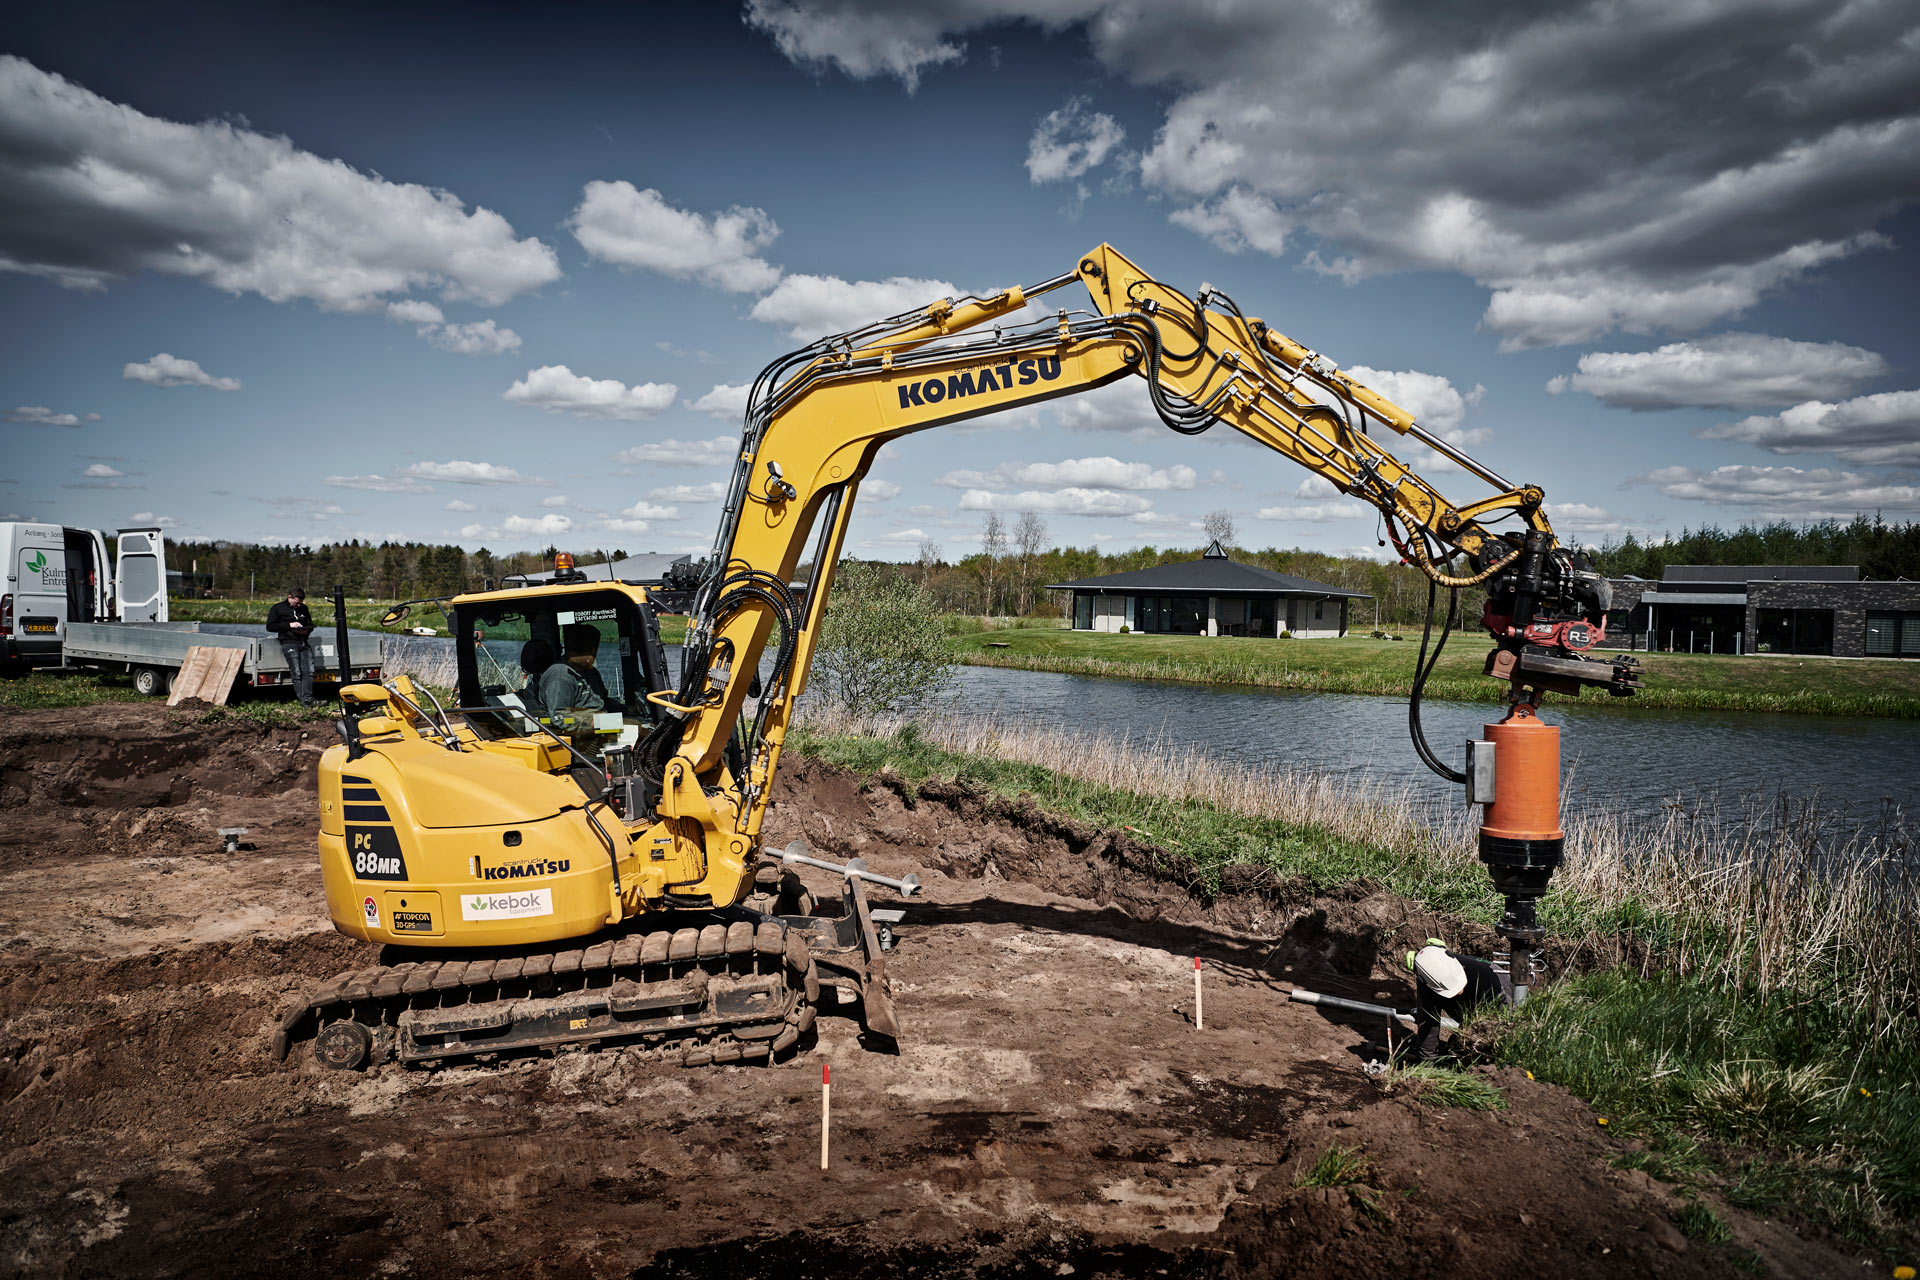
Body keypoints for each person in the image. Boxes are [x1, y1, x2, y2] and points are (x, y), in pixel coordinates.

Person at [1405, 938, 1511, 1063]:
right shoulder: (1428, 980)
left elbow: (1503, 1028)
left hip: (1500, 1009)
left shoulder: (1493, 985)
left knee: (1469, 1050)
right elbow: (1428, 1024)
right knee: (1455, 1049)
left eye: (1461, 986)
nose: (1459, 991)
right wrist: (1427, 1064)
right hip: (1472, 1010)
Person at [538, 623, 612, 714]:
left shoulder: (591, 672)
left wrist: (627, 709)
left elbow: (603, 701)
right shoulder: (561, 677)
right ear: (592, 651)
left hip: (601, 721)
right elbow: (561, 718)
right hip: (581, 726)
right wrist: (590, 723)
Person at [265, 586, 319, 707]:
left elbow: (309, 624)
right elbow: (270, 627)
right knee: (296, 672)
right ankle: (306, 701)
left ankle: (307, 698)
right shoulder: (277, 608)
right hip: (289, 642)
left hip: (304, 642)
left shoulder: (304, 608)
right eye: (296, 603)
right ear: (289, 597)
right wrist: (290, 625)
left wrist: (307, 630)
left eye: (300, 603)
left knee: (309, 671)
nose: (298, 605)